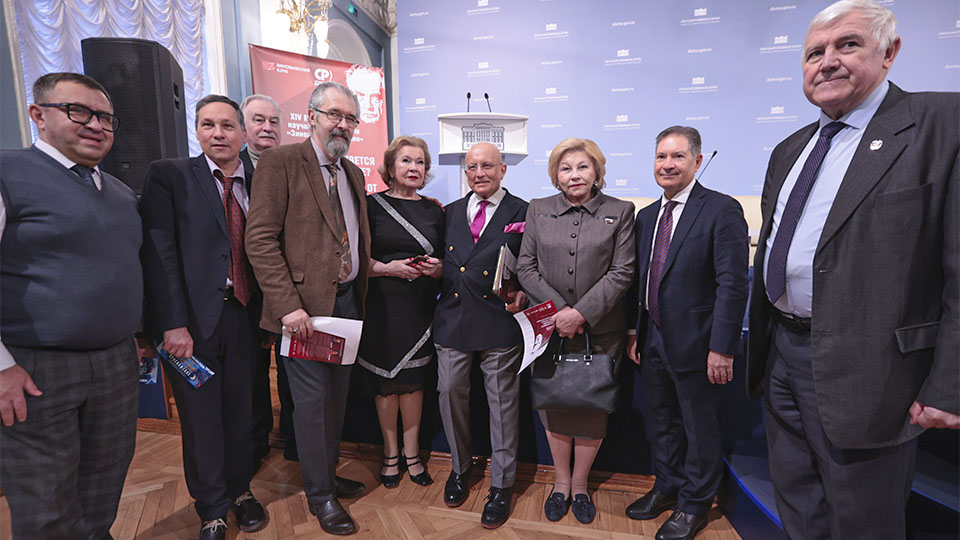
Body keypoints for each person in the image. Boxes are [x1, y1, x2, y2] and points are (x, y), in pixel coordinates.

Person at [746, 1, 959, 538]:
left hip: (873, 373)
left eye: (848, 45)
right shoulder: (789, 149)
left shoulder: (942, 123)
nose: (827, 62)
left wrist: (951, 384)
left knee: (864, 524)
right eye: (814, 53)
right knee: (798, 508)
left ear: (889, 53)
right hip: (781, 356)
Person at [0, 72, 142, 538]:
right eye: (78, 111)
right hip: (35, 369)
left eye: (105, 117)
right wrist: (1, 368)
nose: (96, 125)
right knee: (45, 504)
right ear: (38, 115)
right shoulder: (7, 173)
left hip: (115, 363)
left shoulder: (120, 193)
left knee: (104, 488)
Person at [140, 94, 267, 540]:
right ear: (196, 131)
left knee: (242, 412)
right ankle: (212, 508)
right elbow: (159, 255)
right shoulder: (170, 176)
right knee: (201, 420)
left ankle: (241, 491)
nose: (218, 134)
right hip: (191, 325)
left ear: (243, 133)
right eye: (208, 125)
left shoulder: (261, 180)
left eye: (228, 126)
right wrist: (171, 324)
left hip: (245, 317)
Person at [245, 81, 369, 536]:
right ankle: (320, 497)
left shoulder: (352, 173)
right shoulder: (280, 162)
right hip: (304, 314)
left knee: (336, 402)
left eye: (350, 118)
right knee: (313, 405)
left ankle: (327, 476)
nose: (342, 124)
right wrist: (287, 307)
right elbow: (260, 239)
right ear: (312, 116)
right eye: (334, 114)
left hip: (346, 305)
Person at [625, 126, 749, 540]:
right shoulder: (646, 217)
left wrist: (722, 347)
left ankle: (695, 503)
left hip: (699, 341)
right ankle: (667, 486)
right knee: (660, 420)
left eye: (677, 156)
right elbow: (641, 280)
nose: (667, 165)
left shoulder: (721, 209)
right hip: (651, 337)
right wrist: (634, 331)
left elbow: (733, 284)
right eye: (661, 156)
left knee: (698, 426)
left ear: (697, 161)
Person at [517, 137, 636, 524]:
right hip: (550, 330)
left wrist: (581, 313)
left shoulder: (620, 211)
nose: (574, 175)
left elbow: (622, 272)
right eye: (565, 168)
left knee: (591, 408)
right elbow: (525, 267)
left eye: (583, 166)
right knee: (554, 404)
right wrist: (560, 313)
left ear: (597, 171)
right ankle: (561, 484)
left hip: (601, 332)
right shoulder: (538, 209)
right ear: (555, 175)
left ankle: (581, 486)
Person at [433, 141, 528, 529]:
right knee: (449, 392)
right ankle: (460, 468)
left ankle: (502, 485)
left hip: (498, 320)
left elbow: (533, 263)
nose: (479, 173)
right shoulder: (451, 212)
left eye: (487, 166)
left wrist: (525, 293)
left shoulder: (523, 211)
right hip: (453, 319)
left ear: (503, 170)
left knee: (502, 405)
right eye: (472, 167)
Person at [357, 135, 444, 489]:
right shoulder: (369, 206)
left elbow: (447, 260)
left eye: (420, 162)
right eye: (406, 161)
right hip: (380, 307)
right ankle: (390, 454)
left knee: (412, 384)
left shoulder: (435, 211)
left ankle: (412, 454)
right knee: (386, 385)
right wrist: (386, 269)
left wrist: (437, 270)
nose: (414, 167)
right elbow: (352, 258)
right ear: (390, 168)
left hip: (419, 310)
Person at [239, 93, 298, 465]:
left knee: (293, 372)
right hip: (246, 290)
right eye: (258, 120)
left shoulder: (295, 166)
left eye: (274, 121)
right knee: (252, 373)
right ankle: (256, 443)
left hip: (289, 289)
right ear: (243, 127)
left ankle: (294, 443)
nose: (267, 127)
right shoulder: (231, 169)